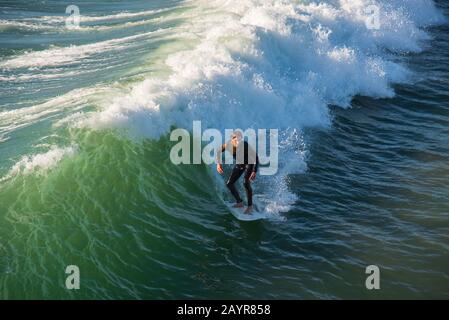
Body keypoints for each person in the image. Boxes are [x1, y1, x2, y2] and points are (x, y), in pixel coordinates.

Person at [216, 131, 259, 214]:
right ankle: (239, 202)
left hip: (249, 163)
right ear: (232, 139)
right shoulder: (228, 144)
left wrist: (254, 171)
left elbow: (256, 157)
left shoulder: (245, 145)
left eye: (240, 138)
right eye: (237, 138)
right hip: (240, 164)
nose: (239, 141)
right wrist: (218, 164)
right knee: (229, 184)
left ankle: (250, 206)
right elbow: (218, 151)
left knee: (245, 183)